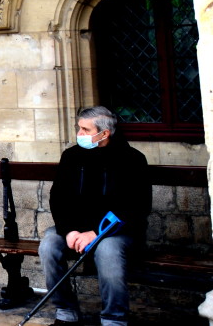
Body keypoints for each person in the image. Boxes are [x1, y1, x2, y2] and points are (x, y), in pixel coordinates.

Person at [40, 106, 151, 326]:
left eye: (85, 129)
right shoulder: (71, 156)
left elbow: (136, 206)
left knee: (108, 251)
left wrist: (95, 233)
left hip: (117, 231)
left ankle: (114, 319)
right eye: (79, 128)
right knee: (48, 245)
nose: (79, 134)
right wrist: (69, 230)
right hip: (75, 228)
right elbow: (58, 198)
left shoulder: (132, 159)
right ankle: (65, 311)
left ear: (104, 133)